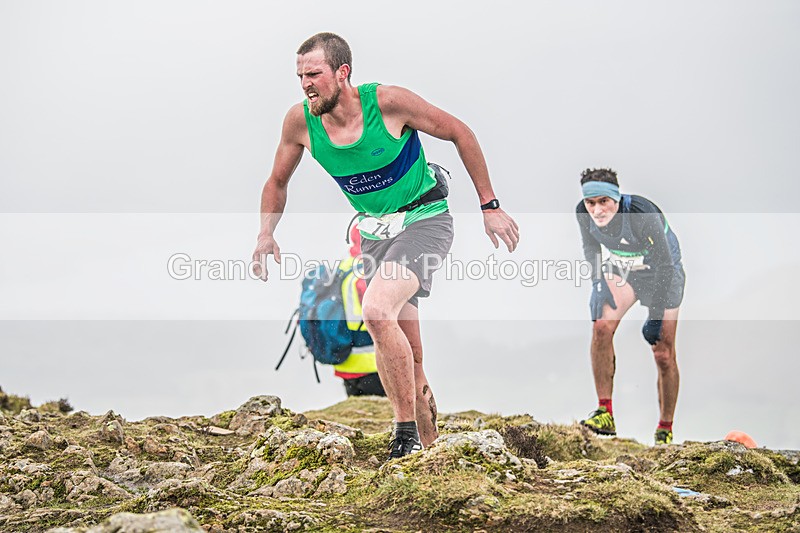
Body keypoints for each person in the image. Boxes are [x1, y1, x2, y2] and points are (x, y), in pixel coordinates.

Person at [252, 32, 519, 459]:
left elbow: (459, 132)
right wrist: (266, 234)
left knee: (376, 311)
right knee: (410, 354)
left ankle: (403, 434)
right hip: (375, 236)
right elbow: (276, 181)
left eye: (314, 74)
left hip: (424, 221)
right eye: (300, 75)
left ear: (343, 73)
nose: (306, 83)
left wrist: (490, 205)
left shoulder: (388, 103)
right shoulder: (300, 123)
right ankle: (431, 451)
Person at [575, 168, 685, 445]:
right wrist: (598, 283)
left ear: (616, 197)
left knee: (663, 353)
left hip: (664, 273)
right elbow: (592, 251)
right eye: (591, 203)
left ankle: (665, 429)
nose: (597, 210)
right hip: (627, 270)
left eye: (603, 202)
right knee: (601, 327)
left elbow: (665, 265)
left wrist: (656, 315)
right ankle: (605, 414)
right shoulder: (582, 213)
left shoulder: (640, 213)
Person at [334, 224, 386, 397]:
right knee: (385, 417)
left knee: (357, 414)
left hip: (346, 359)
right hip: (372, 363)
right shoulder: (370, 269)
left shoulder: (344, 265)